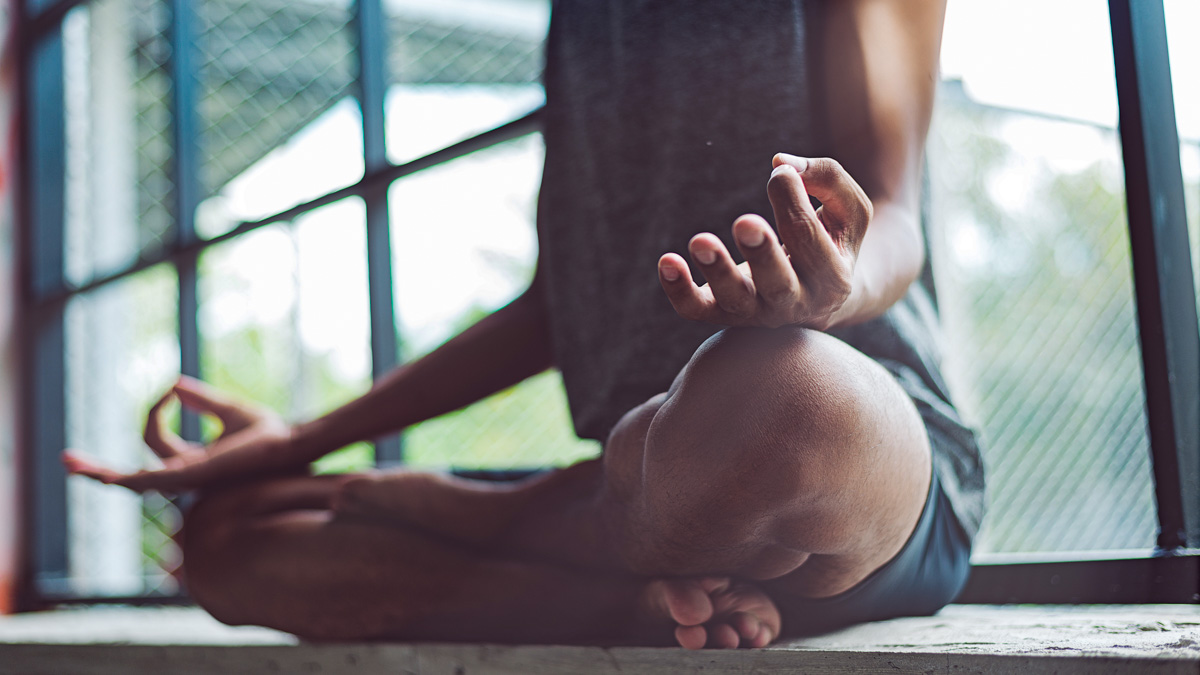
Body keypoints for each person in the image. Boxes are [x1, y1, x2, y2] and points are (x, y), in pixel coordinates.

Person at [65, 0, 984, 648]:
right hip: (641, 485)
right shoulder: (582, 22)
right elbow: (562, 301)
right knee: (225, 545)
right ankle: (640, 604)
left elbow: (891, 210)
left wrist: (836, 290)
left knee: (784, 396)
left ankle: (517, 528)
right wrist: (301, 440)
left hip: (850, 474)